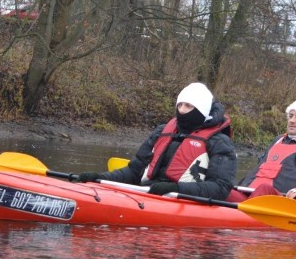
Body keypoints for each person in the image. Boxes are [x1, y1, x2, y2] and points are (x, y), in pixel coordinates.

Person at [74, 82, 237, 200]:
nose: (181, 110)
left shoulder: (219, 142)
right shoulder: (162, 131)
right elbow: (134, 171)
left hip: (184, 198)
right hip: (150, 193)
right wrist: (100, 177)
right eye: (179, 105)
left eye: (188, 106)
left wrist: (176, 188)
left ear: (201, 110)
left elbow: (220, 187)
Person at [227, 99, 296, 203]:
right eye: (290, 116)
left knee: (264, 189)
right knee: (224, 190)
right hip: (250, 196)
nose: (292, 120)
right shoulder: (277, 141)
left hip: (283, 204)